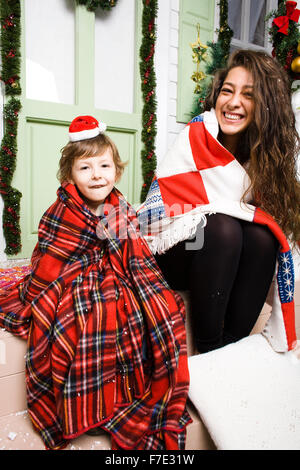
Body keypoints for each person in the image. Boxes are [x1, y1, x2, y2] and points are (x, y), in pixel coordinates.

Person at [0, 116, 191, 450]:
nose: (97, 175)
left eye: (104, 165)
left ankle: (122, 397)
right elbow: (50, 260)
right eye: (85, 168)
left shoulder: (121, 207)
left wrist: (130, 276)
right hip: (72, 281)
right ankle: (91, 409)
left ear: (116, 170)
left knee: (155, 307)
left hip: (118, 275)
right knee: (90, 315)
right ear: (69, 175)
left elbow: (135, 252)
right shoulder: (62, 212)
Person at [138, 50, 300, 355]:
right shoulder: (199, 135)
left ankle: (229, 352)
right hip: (172, 252)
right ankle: (209, 351)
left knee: (264, 238)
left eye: (248, 95)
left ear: (266, 104)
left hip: (223, 256)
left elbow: (274, 222)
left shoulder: (264, 157)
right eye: (228, 90)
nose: (234, 102)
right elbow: (157, 216)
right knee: (222, 228)